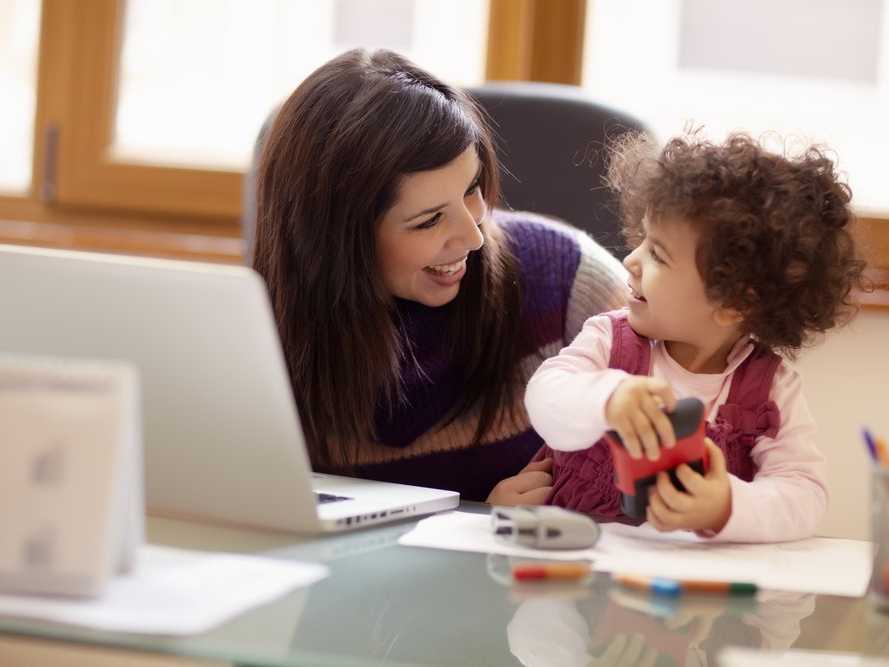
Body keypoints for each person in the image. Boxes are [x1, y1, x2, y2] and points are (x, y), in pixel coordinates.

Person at [252, 48, 628, 504]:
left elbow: (688, 464)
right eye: (429, 220)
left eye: (472, 190)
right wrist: (475, 523)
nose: (473, 236)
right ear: (335, 239)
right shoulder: (257, 332)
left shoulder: (571, 282)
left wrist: (503, 526)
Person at [525, 132, 868, 541]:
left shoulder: (770, 391)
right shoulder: (609, 339)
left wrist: (726, 505)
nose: (631, 261)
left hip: (695, 592)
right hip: (580, 574)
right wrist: (607, 399)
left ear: (734, 303)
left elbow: (803, 495)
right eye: (642, 241)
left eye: (658, 254)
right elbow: (544, 398)